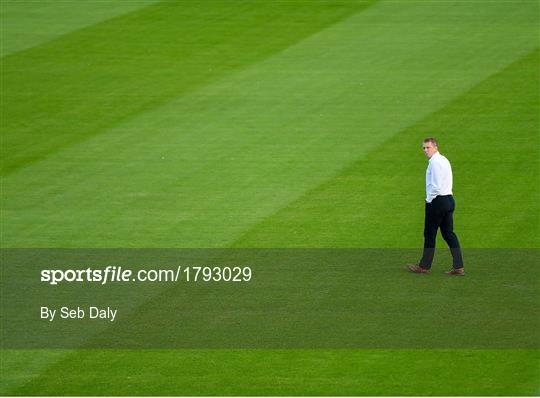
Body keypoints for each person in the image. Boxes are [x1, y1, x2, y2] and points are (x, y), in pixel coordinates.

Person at [408, 138, 464, 275]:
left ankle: (424, 266)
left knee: (429, 234)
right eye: (424, 148)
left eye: (428, 147)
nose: (425, 150)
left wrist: (429, 200)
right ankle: (458, 266)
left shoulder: (434, 163)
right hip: (449, 199)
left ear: (435, 147)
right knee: (449, 234)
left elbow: (436, 186)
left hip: (438, 201)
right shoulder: (444, 159)